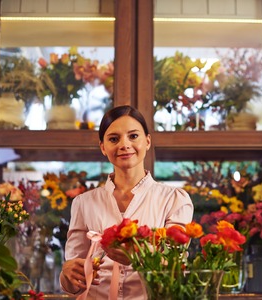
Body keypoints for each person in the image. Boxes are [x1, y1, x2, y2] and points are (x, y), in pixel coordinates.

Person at [60, 105, 194, 299]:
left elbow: (176, 269)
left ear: (147, 142)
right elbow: (73, 283)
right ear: (103, 147)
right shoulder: (84, 203)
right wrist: (68, 274)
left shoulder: (174, 200)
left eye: (133, 136)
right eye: (114, 139)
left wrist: (137, 257)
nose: (124, 144)